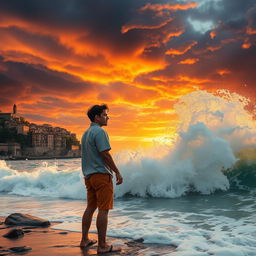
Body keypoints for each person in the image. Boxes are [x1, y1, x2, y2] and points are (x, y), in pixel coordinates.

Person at [80, 104, 123, 254]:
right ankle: (102, 245)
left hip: (89, 176)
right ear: (97, 117)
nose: (107, 117)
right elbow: (105, 154)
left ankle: (84, 239)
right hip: (100, 175)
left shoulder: (86, 133)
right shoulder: (99, 132)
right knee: (103, 210)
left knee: (90, 208)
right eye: (105, 115)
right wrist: (117, 172)